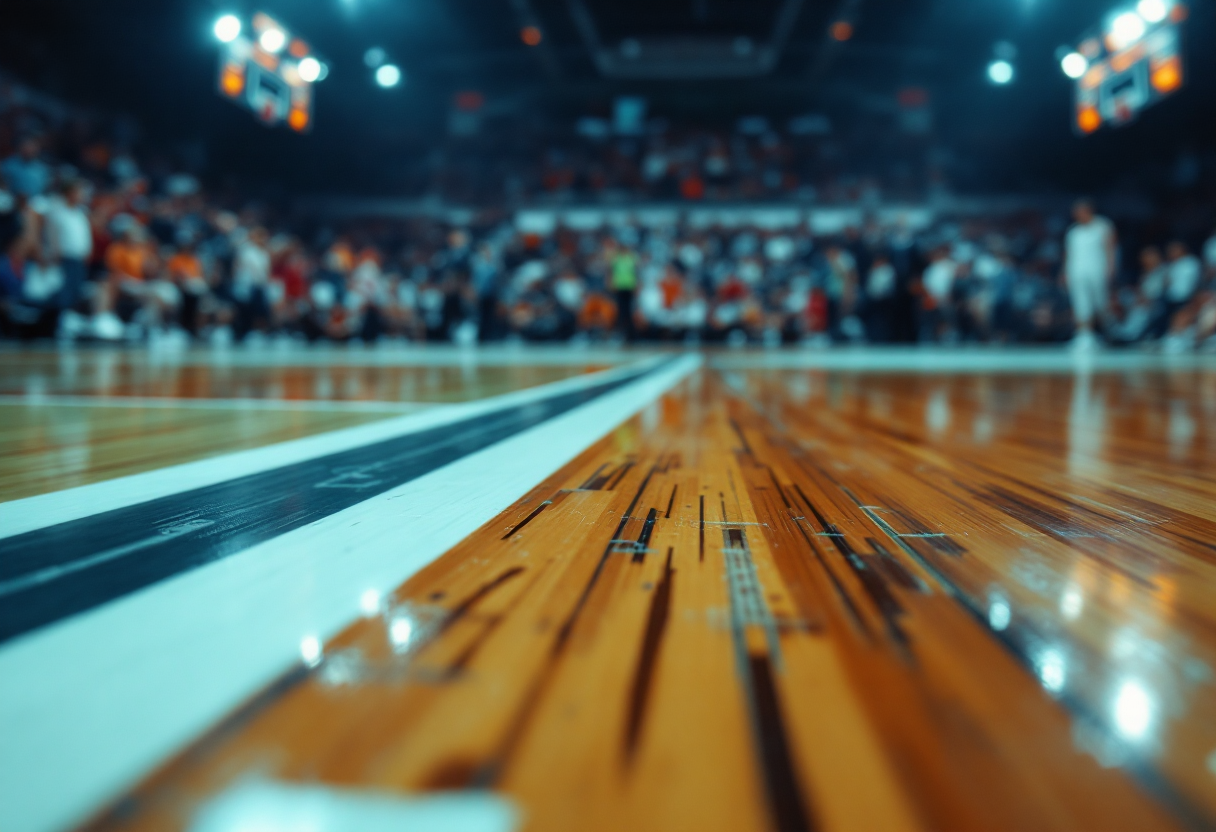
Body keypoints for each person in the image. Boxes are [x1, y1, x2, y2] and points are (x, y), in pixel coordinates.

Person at [1062, 199, 1116, 350]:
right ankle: (1084, 336)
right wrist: (1065, 272)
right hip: (1077, 271)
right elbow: (1069, 254)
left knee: (1101, 304)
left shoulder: (1103, 226)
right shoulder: (1073, 231)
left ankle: (1106, 334)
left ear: (1088, 211)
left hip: (1097, 270)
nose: (1077, 215)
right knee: (1080, 303)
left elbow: (1110, 249)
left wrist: (1111, 268)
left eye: (1079, 212)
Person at [45, 179, 93, 313]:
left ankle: (68, 317)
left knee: (76, 290)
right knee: (63, 291)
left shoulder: (80, 213)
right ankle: (57, 319)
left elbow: (84, 235)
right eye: (79, 192)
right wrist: (55, 252)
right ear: (70, 193)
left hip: (79, 258)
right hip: (64, 258)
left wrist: (87, 251)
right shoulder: (58, 211)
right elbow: (52, 234)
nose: (82, 195)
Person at [609, 242, 639, 342]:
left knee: (629, 312)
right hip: (619, 287)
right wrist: (612, 283)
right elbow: (612, 272)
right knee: (621, 312)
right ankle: (623, 334)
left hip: (629, 287)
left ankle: (631, 335)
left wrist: (636, 285)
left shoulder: (631, 258)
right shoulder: (616, 259)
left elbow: (636, 272)